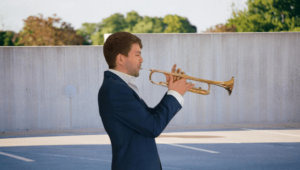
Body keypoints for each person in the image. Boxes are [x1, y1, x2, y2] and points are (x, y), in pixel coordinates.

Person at [98, 32, 194, 170]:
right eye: (137, 54)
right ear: (120, 59)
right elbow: (153, 127)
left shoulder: (118, 86)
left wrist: (171, 92)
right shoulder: (116, 89)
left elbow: (149, 119)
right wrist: (175, 94)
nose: (142, 59)